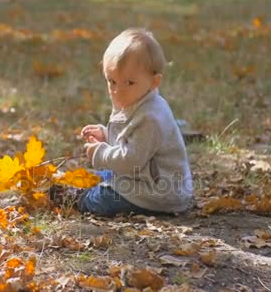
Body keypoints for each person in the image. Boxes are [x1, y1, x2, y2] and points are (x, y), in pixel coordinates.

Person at [78, 28, 193, 216]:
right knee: (101, 176)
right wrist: (106, 136)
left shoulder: (151, 117)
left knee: (103, 200)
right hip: (141, 179)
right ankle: (91, 186)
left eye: (129, 83)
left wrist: (101, 153)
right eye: (112, 81)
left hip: (159, 192)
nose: (118, 90)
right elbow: (131, 140)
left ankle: (80, 199)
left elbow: (131, 160)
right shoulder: (136, 99)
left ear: (154, 82)